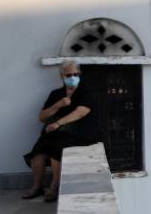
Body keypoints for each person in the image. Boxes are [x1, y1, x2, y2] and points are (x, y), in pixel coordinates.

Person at [22, 60, 100, 202]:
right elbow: (42, 117)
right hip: (54, 132)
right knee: (38, 152)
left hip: (77, 133)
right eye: (69, 74)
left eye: (75, 74)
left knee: (56, 151)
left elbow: (81, 112)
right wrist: (58, 105)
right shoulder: (56, 94)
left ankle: (54, 187)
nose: (72, 77)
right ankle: (37, 186)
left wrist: (58, 123)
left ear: (80, 74)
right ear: (62, 76)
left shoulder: (86, 91)